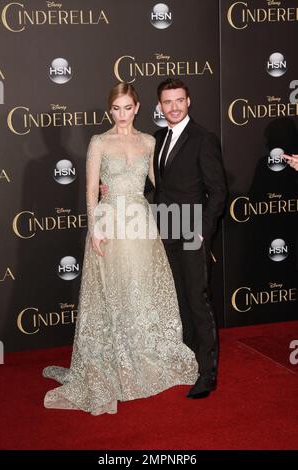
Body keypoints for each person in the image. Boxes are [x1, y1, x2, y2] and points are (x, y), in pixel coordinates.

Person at [42, 83, 198, 415]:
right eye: (117, 109)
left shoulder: (149, 141)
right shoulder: (99, 142)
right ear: (109, 110)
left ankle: (144, 356)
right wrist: (94, 227)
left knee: (141, 291)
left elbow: (163, 184)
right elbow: (90, 190)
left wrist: (194, 197)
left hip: (140, 224)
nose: (122, 114)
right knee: (113, 294)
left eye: (128, 108)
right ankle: (114, 363)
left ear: (138, 107)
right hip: (110, 223)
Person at [153, 79, 227, 399]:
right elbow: (159, 187)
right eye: (167, 102)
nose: (173, 107)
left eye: (178, 101)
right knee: (180, 301)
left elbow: (219, 191)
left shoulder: (203, 138)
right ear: (160, 106)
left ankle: (207, 374)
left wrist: (202, 230)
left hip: (192, 232)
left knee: (198, 301)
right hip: (167, 230)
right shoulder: (157, 138)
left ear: (189, 101)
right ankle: (187, 361)